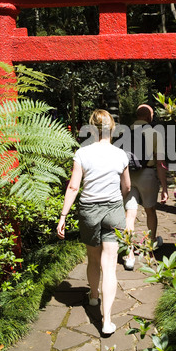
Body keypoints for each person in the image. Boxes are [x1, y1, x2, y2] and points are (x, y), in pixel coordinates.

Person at [57, 110, 130, 335]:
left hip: (89, 211)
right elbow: (126, 188)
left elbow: (73, 187)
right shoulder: (120, 155)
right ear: (113, 127)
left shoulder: (82, 153)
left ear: (91, 127)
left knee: (93, 258)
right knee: (110, 264)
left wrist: (63, 215)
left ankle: (93, 298)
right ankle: (107, 321)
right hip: (114, 210)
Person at [124, 104, 168, 269]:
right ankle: (150, 250)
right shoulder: (155, 134)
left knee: (130, 214)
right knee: (150, 211)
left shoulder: (124, 132)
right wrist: (164, 187)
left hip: (128, 175)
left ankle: (128, 254)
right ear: (150, 117)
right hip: (147, 175)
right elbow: (160, 162)